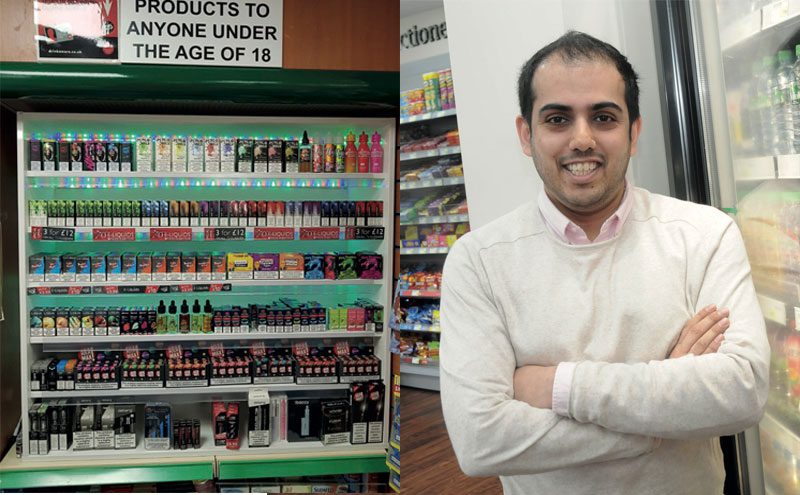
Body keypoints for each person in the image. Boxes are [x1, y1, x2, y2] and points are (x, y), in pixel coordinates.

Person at [439, 30, 769, 495]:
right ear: (526, 135)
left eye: (603, 117)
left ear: (633, 132)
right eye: (557, 119)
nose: (582, 138)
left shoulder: (704, 235)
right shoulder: (478, 262)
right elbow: (480, 441)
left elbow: (743, 392)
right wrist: (662, 416)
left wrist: (557, 386)